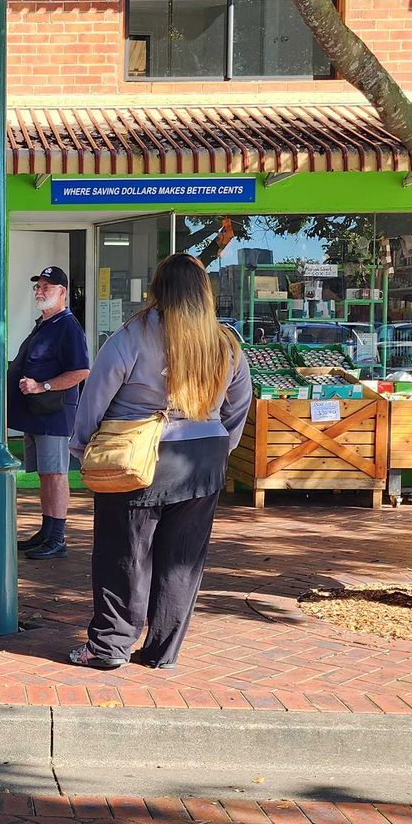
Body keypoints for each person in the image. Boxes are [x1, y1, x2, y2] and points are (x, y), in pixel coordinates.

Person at [67, 255, 251, 670]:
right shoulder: (226, 342)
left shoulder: (133, 334)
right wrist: (220, 446)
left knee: (125, 553)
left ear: (158, 289)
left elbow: (96, 395)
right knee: (182, 559)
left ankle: (110, 646)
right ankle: (162, 650)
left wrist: (82, 449)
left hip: (136, 459)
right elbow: (238, 407)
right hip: (202, 462)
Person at [9, 265, 90, 559]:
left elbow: (81, 370)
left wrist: (42, 386)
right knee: (45, 473)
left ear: (62, 292)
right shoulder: (45, 323)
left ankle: (57, 538)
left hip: (54, 413)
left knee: (55, 473)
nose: (40, 292)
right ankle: (46, 531)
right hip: (36, 413)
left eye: (47, 287)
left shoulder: (68, 326)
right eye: (38, 287)